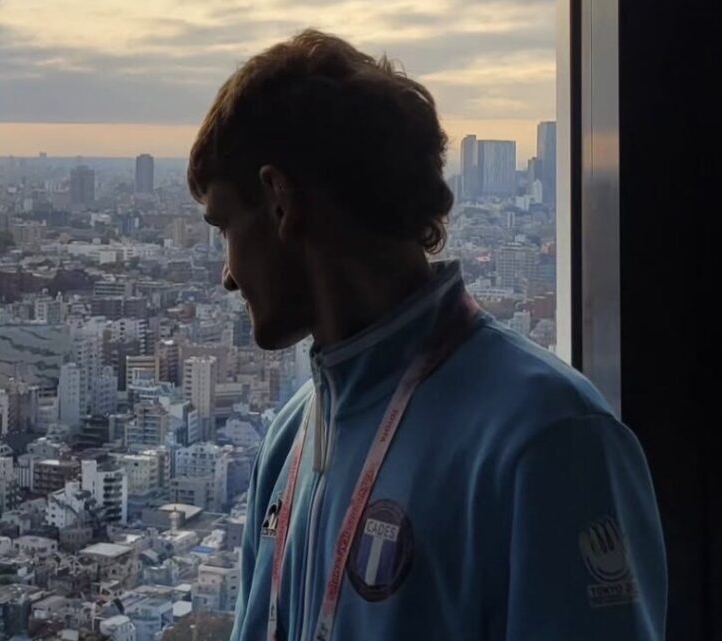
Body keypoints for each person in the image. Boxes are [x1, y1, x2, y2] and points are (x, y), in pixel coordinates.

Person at [188, 29, 667, 641]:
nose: (228, 275)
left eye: (225, 226)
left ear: (282, 202)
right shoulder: (291, 439)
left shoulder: (551, 441)